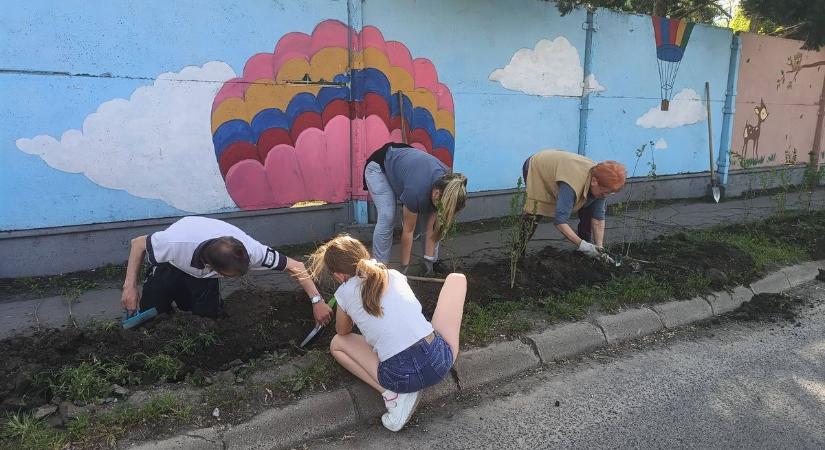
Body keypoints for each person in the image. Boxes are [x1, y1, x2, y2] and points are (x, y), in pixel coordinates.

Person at [307, 234, 466, 432]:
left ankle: (393, 395)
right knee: (457, 279)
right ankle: (409, 380)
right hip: (440, 361)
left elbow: (342, 331)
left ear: (339, 276)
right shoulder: (395, 275)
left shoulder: (344, 293)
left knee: (337, 343)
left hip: (400, 377)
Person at [120, 216, 332, 325]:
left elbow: (296, 266)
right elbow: (138, 243)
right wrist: (129, 286)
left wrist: (317, 301)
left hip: (202, 278)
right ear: (214, 269)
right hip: (171, 267)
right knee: (152, 317)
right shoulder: (174, 243)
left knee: (208, 320)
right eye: (227, 276)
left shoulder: (250, 251)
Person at [363, 143, 467, 275]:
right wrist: (404, 268)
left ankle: (431, 263)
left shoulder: (449, 184)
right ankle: (379, 267)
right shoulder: (416, 191)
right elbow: (408, 231)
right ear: (436, 193)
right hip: (379, 167)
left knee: (432, 220)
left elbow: (432, 227)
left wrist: (429, 263)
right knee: (387, 215)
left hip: (407, 168)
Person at [520, 149, 627, 261]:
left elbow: (598, 218)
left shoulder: (601, 181)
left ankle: (586, 252)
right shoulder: (571, 184)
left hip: (563, 167)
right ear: (594, 181)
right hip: (538, 167)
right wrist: (583, 246)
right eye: (605, 192)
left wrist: (600, 249)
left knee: (588, 208)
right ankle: (518, 252)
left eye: (610, 193)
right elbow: (560, 221)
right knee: (535, 212)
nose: (606, 195)